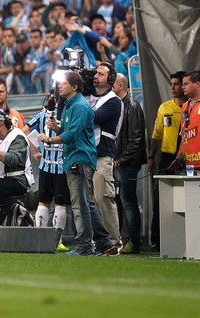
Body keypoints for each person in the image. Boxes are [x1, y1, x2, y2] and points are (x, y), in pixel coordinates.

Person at [39, 72, 115, 256]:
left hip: (79, 158)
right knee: (86, 203)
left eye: (63, 83)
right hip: (74, 158)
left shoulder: (80, 106)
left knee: (79, 204)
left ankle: (84, 246)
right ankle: (104, 242)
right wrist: (57, 127)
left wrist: (50, 140)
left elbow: (72, 134)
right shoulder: (68, 105)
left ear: (74, 87)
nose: (59, 86)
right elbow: (69, 129)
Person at [24, 95, 71, 252]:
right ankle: (57, 242)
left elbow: (24, 131)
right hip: (62, 165)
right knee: (60, 204)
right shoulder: (68, 114)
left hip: (45, 165)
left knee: (43, 202)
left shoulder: (42, 114)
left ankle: (40, 241)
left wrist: (36, 151)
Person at [147, 70, 187, 250]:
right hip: (167, 156)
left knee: (187, 197)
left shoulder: (193, 107)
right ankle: (158, 240)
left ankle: (185, 236)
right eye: (171, 84)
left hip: (188, 158)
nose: (173, 87)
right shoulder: (165, 108)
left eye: (177, 84)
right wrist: (151, 157)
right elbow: (157, 134)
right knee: (160, 198)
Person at [87, 62, 124, 252]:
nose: (95, 76)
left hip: (102, 154)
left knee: (103, 197)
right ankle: (94, 241)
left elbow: (93, 117)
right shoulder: (88, 96)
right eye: (95, 73)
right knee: (88, 200)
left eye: (101, 74)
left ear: (110, 80)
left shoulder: (113, 101)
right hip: (86, 154)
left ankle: (114, 241)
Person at [112, 73, 147, 254]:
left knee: (128, 201)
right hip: (120, 162)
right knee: (120, 201)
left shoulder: (131, 106)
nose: (110, 86)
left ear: (120, 85)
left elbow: (136, 139)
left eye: (113, 83)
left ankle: (133, 241)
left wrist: (121, 159)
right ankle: (122, 239)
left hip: (127, 164)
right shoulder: (120, 105)